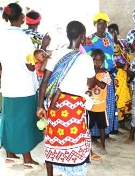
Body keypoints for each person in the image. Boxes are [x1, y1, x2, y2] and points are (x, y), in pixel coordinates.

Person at [37, 20, 96, 176]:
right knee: (74, 144)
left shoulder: (56, 53)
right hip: (74, 109)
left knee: (54, 141)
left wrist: (40, 107)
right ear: (82, 37)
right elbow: (91, 83)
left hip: (55, 107)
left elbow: (44, 84)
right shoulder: (86, 59)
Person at [0, 3, 43, 173]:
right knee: (25, 123)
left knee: (10, 120)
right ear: (22, 18)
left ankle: (10, 154)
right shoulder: (24, 38)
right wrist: (41, 58)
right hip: (24, 87)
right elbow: (31, 66)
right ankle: (27, 159)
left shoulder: (2, 36)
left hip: (9, 86)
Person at [84, 12, 118, 141]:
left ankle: (106, 131)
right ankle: (93, 134)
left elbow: (112, 53)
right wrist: (97, 69)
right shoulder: (90, 38)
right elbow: (87, 56)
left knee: (107, 103)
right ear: (95, 24)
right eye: (100, 23)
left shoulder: (109, 36)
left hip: (109, 72)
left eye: (105, 23)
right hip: (96, 74)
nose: (102, 26)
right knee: (95, 102)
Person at [108, 23, 133, 131]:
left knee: (126, 96)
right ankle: (119, 123)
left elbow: (130, 51)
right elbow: (112, 60)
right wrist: (121, 65)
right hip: (117, 75)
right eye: (109, 32)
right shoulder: (109, 44)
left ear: (117, 32)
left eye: (113, 31)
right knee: (119, 99)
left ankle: (123, 121)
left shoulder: (123, 43)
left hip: (125, 75)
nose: (112, 34)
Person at [88, 49, 111, 160]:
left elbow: (102, 86)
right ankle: (88, 147)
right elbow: (88, 85)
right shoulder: (89, 72)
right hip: (90, 107)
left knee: (102, 128)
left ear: (103, 61)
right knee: (88, 128)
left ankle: (103, 146)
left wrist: (96, 76)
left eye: (100, 60)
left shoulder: (105, 73)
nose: (97, 63)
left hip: (101, 107)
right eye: (95, 60)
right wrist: (95, 75)